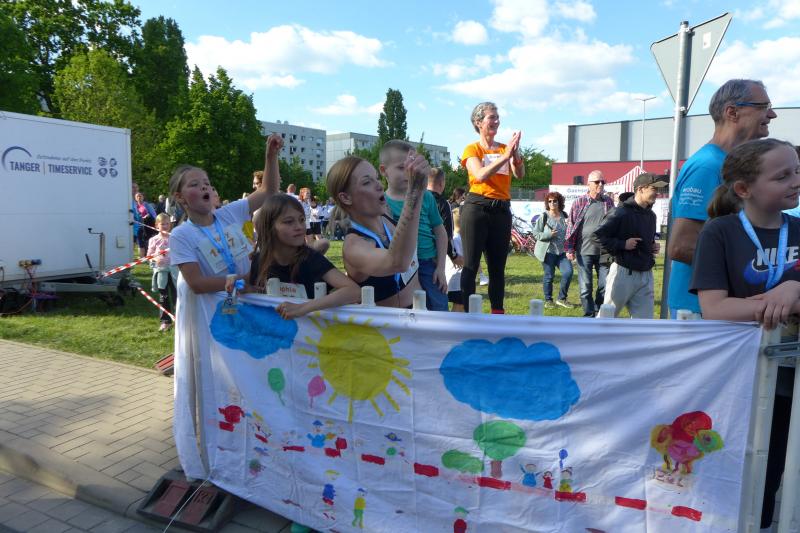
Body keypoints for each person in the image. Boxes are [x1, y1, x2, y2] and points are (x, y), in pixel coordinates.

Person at [690, 138, 800, 530]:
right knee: (737, 465)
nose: (795, 181)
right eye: (782, 176)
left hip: (790, 379)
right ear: (743, 189)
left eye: (797, 171)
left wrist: (794, 289)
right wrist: (783, 298)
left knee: (776, 469)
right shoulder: (720, 232)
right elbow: (715, 309)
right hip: (738, 376)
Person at [668, 79, 778, 318]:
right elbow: (681, 246)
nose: (772, 114)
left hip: (720, 308)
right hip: (699, 310)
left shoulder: (726, 163)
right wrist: (753, 269)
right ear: (732, 112)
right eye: (763, 106)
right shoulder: (708, 166)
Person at [169, 134, 282, 295]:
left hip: (243, 305)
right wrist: (245, 280)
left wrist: (271, 156)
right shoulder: (181, 235)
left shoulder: (230, 213)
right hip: (209, 310)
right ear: (180, 197)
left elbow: (268, 191)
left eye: (207, 183)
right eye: (194, 184)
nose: (204, 187)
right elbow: (197, 284)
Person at [326, 151, 430, 308]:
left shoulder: (386, 218)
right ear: (346, 198)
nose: (380, 185)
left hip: (422, 312)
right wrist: (414, 192)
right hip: (391, 322)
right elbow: (397, 262)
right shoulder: (354, 246)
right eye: (367, 182)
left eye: (377, 178)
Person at [249, 194, 360, 319]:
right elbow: (255, 291)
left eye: (302, 220)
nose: (299, 227)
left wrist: (303, 308)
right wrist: (242, 287)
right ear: (270, 227)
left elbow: (354, 291)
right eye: (289, 222)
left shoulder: (311, 258)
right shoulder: (260, 260)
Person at [460, 102, 525, 314]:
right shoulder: (472, 149)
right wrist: (505, 157)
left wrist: (514, 154)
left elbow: (520, 174)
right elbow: (479, 175)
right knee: (471, 265)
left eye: (497, 117)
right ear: (478, 122)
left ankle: (497, 313)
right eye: (492, 117)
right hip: (477, 208)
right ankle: (468, 315)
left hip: (501, 211)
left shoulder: (505, 149)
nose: (496, 121)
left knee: (497, 267)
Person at [381, 140, 448, 311]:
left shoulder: (426, 197)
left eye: (413, 167)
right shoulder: (381, 202)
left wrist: (441, 267)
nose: (409, 172)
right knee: (404, 314)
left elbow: (440, 231)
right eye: (401, 167)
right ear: (383, 170)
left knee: (439, 312)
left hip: (428, 264)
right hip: (399, 266)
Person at [594, 174, 666, 318]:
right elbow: (596, 237)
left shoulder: (651, 215)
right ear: (640, 189)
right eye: (654, 189)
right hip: (623, 273)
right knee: (606, 319)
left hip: (646, 275)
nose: (657, 193)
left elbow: (644, 238)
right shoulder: (620, 212)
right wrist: (623, 244)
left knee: (644, 325)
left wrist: (651, 246)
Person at [565, 170, 615, 317]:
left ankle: (598, 311)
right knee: (585, 287)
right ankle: (588, 314)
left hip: (604, 251)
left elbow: (614, 224)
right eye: (597, 182)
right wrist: (569, 248)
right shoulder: (579, 202)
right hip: (584, 251)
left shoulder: (608, 202)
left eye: (603, 182)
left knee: (604, 285)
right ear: (589, 184)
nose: (601, 184)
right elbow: (571, 226)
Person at [532, 192, 575, 310]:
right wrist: (548, 235)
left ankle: (561, 298)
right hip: (548, 252)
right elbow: (535, 233)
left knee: (568, 272)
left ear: (559, 202)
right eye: (549, 201)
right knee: (549, 276)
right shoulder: (544, 216)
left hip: (562, 253)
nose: (552, 203)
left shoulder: (565, 215)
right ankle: (548, 300)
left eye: (554, 201)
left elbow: (570, 232)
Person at [429, 167, 463, 271]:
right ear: (441, 183)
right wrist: (454, 256)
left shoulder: (417, 200)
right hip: (435, 254)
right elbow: (446, 233)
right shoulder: (443, 204)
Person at [147, 213, 178, 331]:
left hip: (175, 272)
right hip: (161, 272)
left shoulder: (175, 238)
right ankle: (165, 321)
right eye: (162, 224)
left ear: (170, 225)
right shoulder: (153, 240)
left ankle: (179, 319)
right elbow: (149, 255)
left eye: (167, 224)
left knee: (177, 295)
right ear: (157, 225)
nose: (165, 226)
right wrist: (156, 259)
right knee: (163, 296)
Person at [445, 208, 464, 312]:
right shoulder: (458, 239)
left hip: (452, 278)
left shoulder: (453, 238)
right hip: (457, 280)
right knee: (459, 305)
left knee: (462, 305)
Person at [134, 192, 157, 258]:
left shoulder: (147, 205)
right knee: (140, 241)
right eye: (137, 196)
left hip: (147, 226)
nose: (139, 197)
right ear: (135, 198)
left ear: (143, 197)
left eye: (140, 196)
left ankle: (149, 256)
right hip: (138, 226)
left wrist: (147, 216)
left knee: (148, 241)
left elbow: (154, 215)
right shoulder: (135, 206)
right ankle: (142, 257)